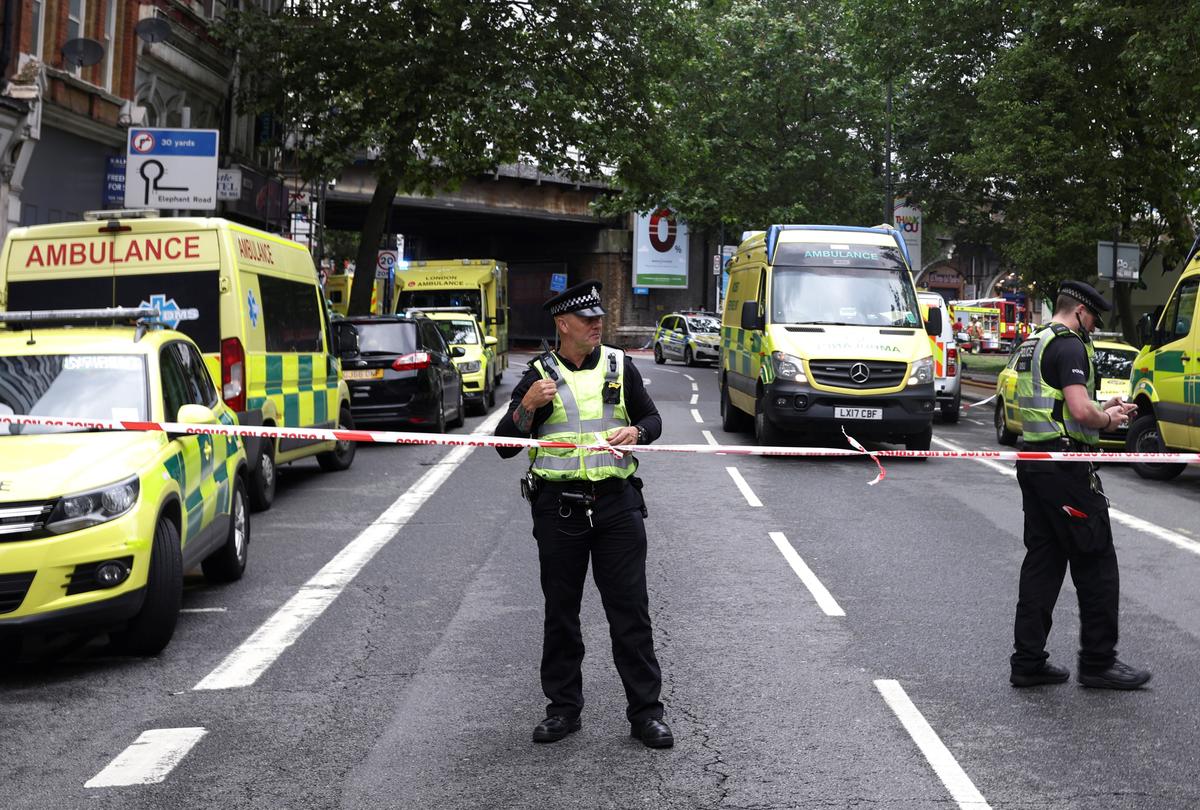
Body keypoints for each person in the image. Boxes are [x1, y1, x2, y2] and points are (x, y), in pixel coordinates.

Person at [495, 280, 672, 748]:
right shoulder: (538, 374)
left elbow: (653, 420)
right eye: (587, 319)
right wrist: (527, 409)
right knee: (562, 614)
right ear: (563, 325)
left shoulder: (619, 365)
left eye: (599, 318)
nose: (597, 325)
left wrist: (637, 431)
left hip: (616, 504)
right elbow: (504, 446)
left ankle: (646, 714)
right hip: (559, 509)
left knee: (630, 613)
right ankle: (563, 710)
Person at [1009, 281, 1150, 690]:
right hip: (1066, 471)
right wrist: (1109, 419)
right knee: (1097, 560)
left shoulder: (1034, 341)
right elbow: (1077, 410)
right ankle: (1098, 662)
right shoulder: (1070, 344)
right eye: (1093, 320)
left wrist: (1100, 407)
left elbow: (1056, 406)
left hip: (1036, 463)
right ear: (1080, 313)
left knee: (1044, 562)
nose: (1092, 327)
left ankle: (1028, 661)